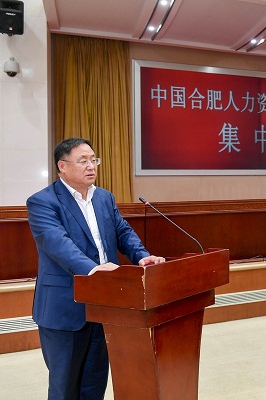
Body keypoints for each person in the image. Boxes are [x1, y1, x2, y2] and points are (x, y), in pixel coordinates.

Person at [27, 137, 165, 400]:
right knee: (64, 386)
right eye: (83, 161)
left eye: (93, 160)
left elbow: (123, 232)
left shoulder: (104, 197)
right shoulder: (42, 202)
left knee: (95, 382)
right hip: (65, 306)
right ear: (62, 166)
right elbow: (57, 243)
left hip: (105, 305)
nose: (91, 166)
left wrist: (142, 257)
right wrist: (93, 270)